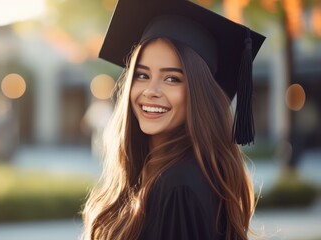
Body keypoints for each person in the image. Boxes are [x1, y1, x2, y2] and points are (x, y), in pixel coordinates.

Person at [82, 0, 265, 240]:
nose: (151, 90)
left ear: (199, 93)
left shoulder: (178, 187)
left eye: (172, 79)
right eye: (142, 75)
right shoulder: (163, 173)